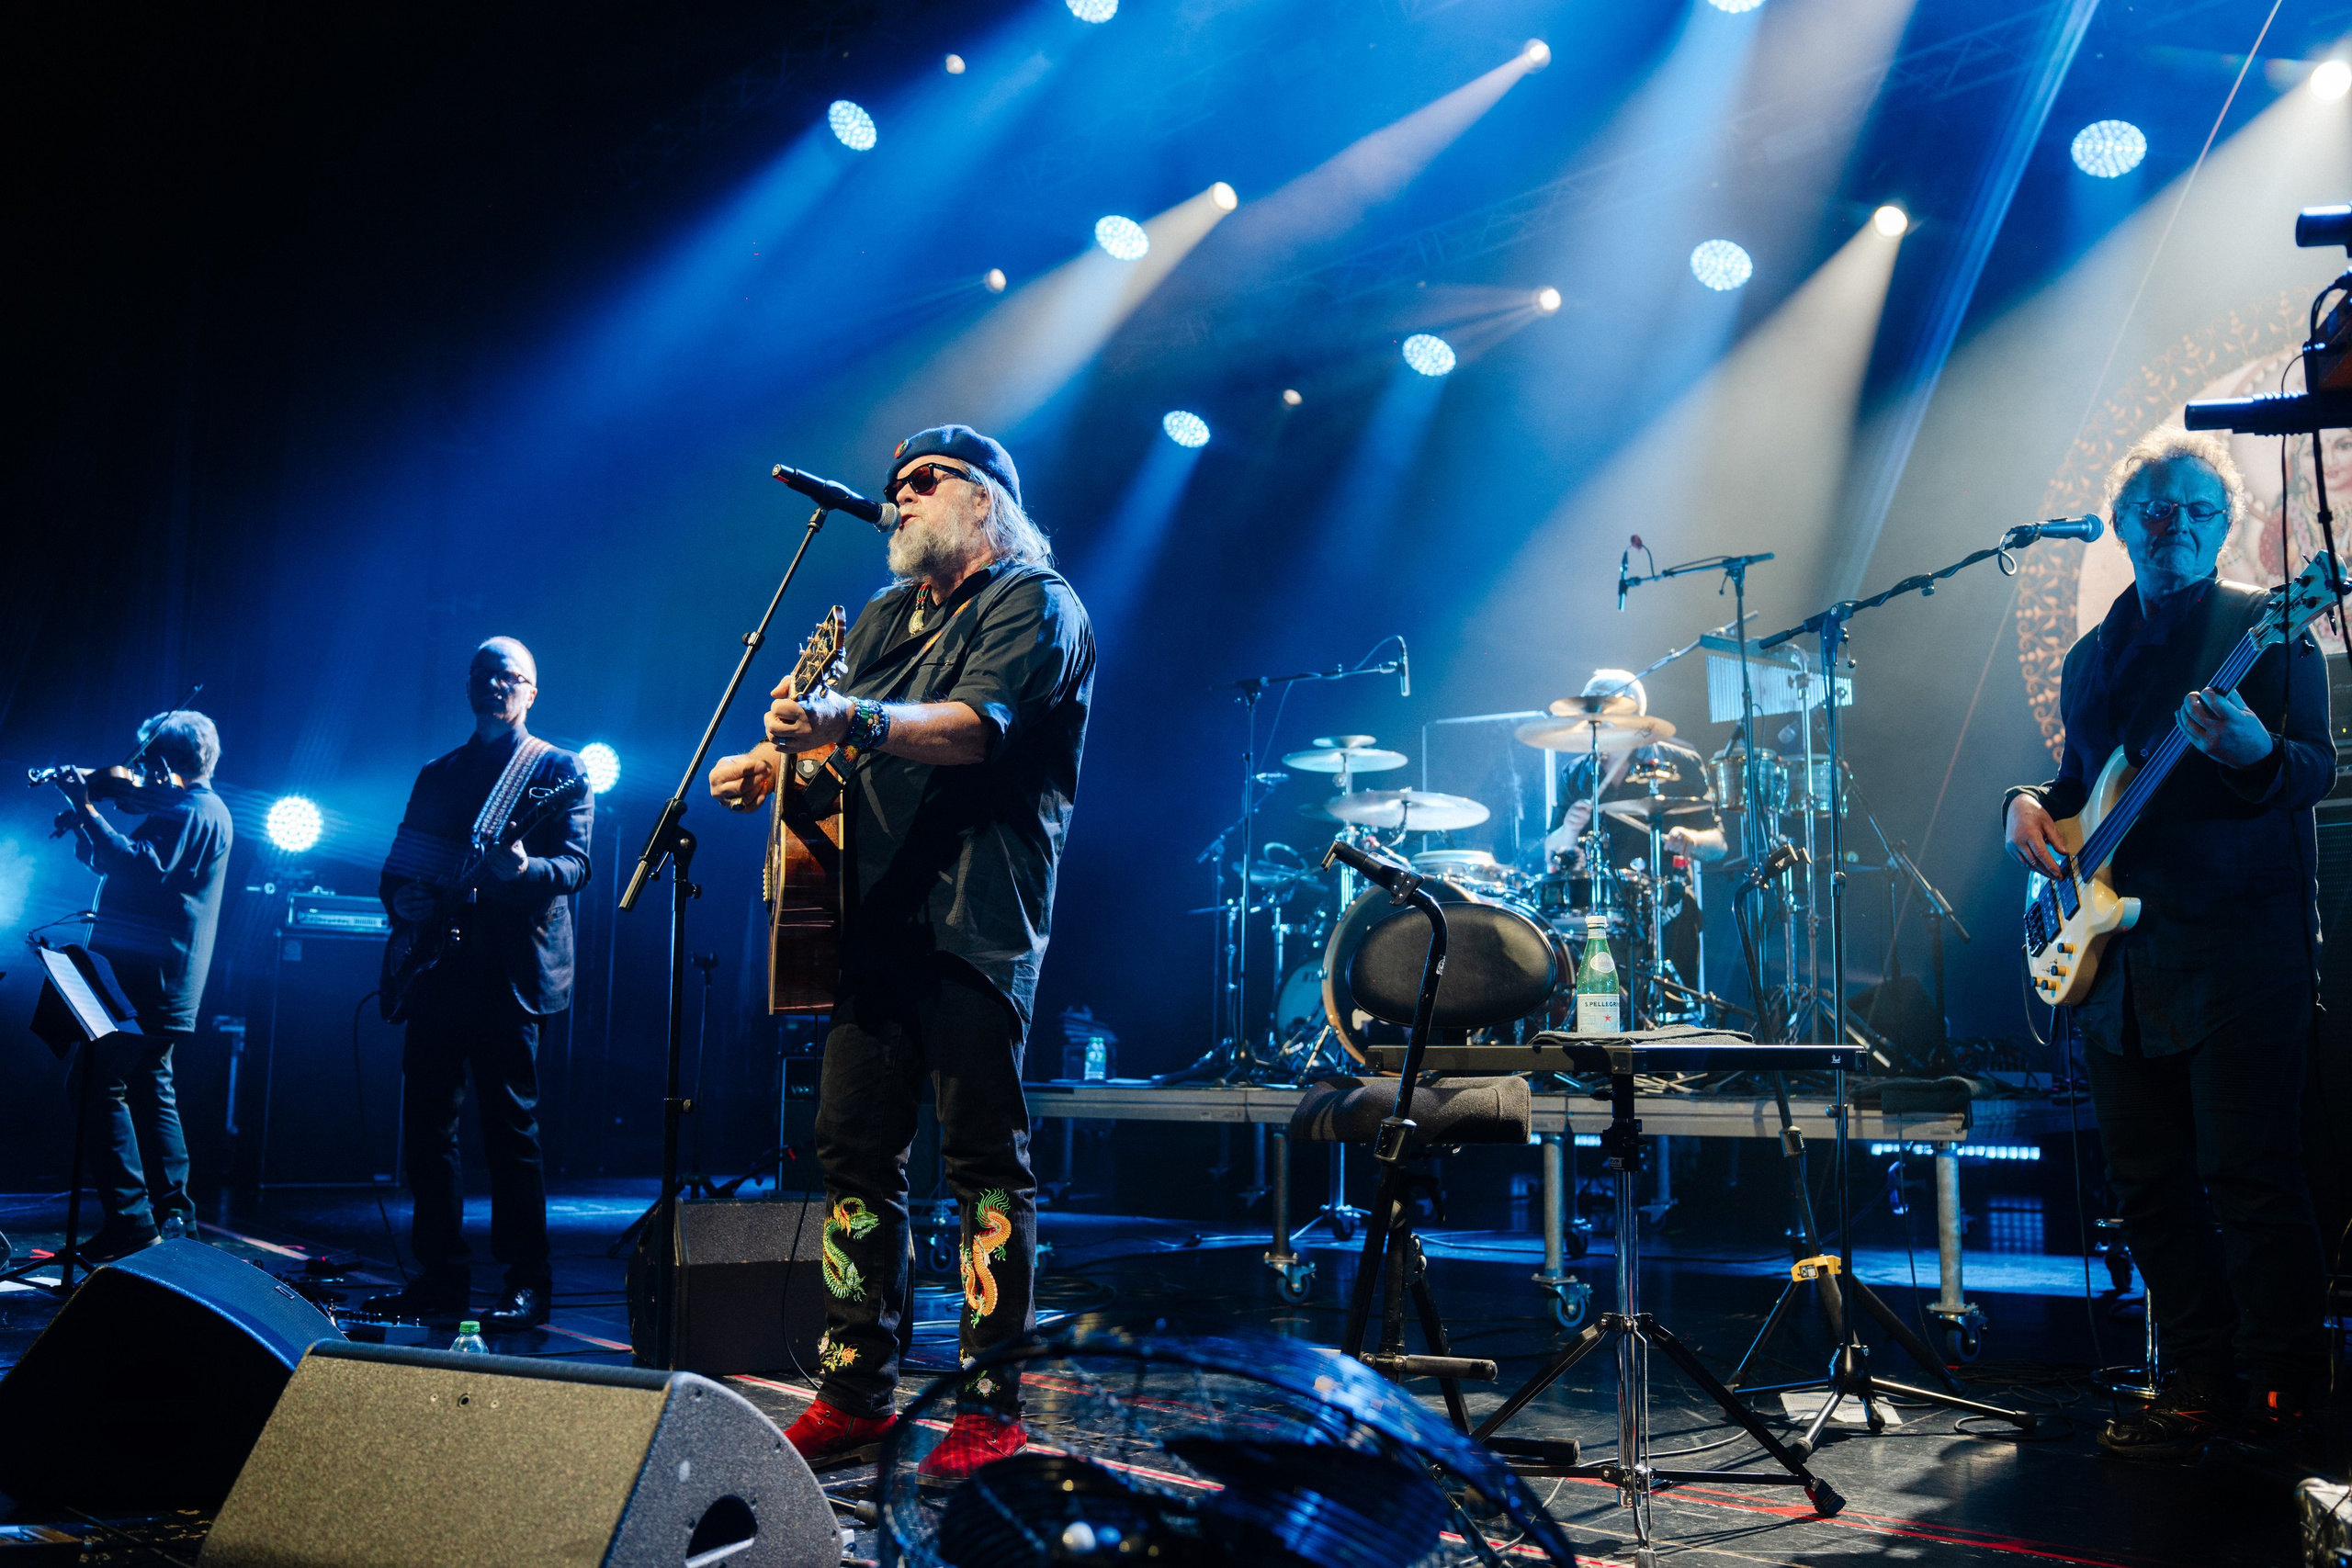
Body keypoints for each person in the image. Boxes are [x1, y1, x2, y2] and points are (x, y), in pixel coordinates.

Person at [708, 424, 1093, 1480]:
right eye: (894, 486)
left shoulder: (1034, 600)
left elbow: (973, 728)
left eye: (930, 481)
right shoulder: (882, 616)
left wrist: (847, 718)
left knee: (978, 1163)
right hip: (868, 923)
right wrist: (760, 761)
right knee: (853, 1157)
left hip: (975, 918)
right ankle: (856, 1391)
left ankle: (988, 1407)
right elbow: (834, 738)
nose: (902, 496)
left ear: (987, 503)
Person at [2003, 427, 2330, 1459]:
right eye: (2154, 509)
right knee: (2144, 1183)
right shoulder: (2092, 655)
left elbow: (2314, 771)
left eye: (2196, 511)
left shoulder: (2270, 630)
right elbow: (2078, 792)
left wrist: (2254, 750)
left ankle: (2283, 1385)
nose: (2173, 526)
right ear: (2121, 524)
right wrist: (2024, 804)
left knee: (2248, 1173)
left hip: (2239, 950)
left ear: (2225, 526)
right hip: (2117, 967)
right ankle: (2197, 1378)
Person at [365, 637, 592, 1332]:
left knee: (509, 1132)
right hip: (439, 970)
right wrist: (399, 898)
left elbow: (576, 866)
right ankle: (441, 1276)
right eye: (487, 675)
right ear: (470, 686)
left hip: (509, 974)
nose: (497, 685)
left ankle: (528, 1281)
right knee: (427, 1131)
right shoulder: (440, 771)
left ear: (531, 690)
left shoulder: (555, 767)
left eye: (511, 677)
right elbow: (400, 863)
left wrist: (522, 871)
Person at [49, 710, 233, 1261]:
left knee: (92, 1085)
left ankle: (131, 1223)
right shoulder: (203, 809)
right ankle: (173, 1219)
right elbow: (141, 878)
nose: (142, 769)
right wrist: (90, 834)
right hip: (168, 980)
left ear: (168, 760)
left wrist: (85, 809)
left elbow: (139, 868)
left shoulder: (187, 810)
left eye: (150, 758)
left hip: (147, 982)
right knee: (154, 1089)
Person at [1541, 669, 1725, 1014]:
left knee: (1672, 1020)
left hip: (1666, 912)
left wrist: (1691, 839)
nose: (1597, 722)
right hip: (1597, 916)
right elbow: (1552, 852)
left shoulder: (1681, 764)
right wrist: (1568, 829)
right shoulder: (1577, 772)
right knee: (1599, 1023)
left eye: (1605, 713)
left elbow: (1718, 845)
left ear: (1634, 714)